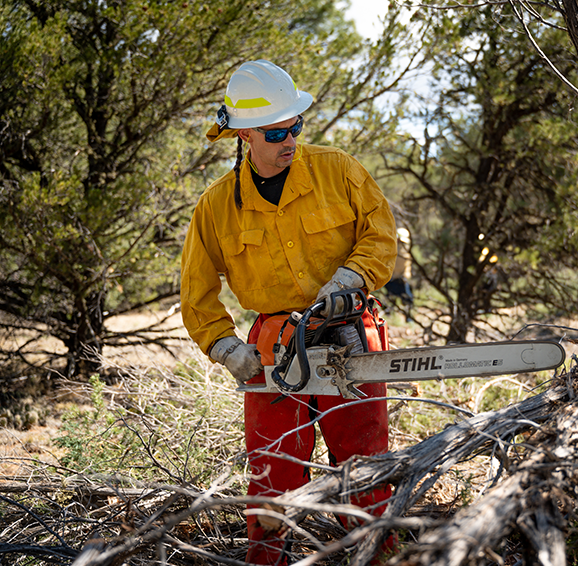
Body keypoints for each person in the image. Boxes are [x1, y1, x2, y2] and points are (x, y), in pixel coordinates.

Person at [180, 60, 398, 564]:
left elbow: (379, 234)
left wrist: (353, 278)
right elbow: (196, 289)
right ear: (245, 136)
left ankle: (377, 553)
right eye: (276, 131)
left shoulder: (338, 170)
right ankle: (270, 557)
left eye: (295, 125)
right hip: (274, 340)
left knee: (365, 465)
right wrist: (223, 344)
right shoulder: (216, 206)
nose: (290, 139)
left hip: (349, 326)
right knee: (271, 474)